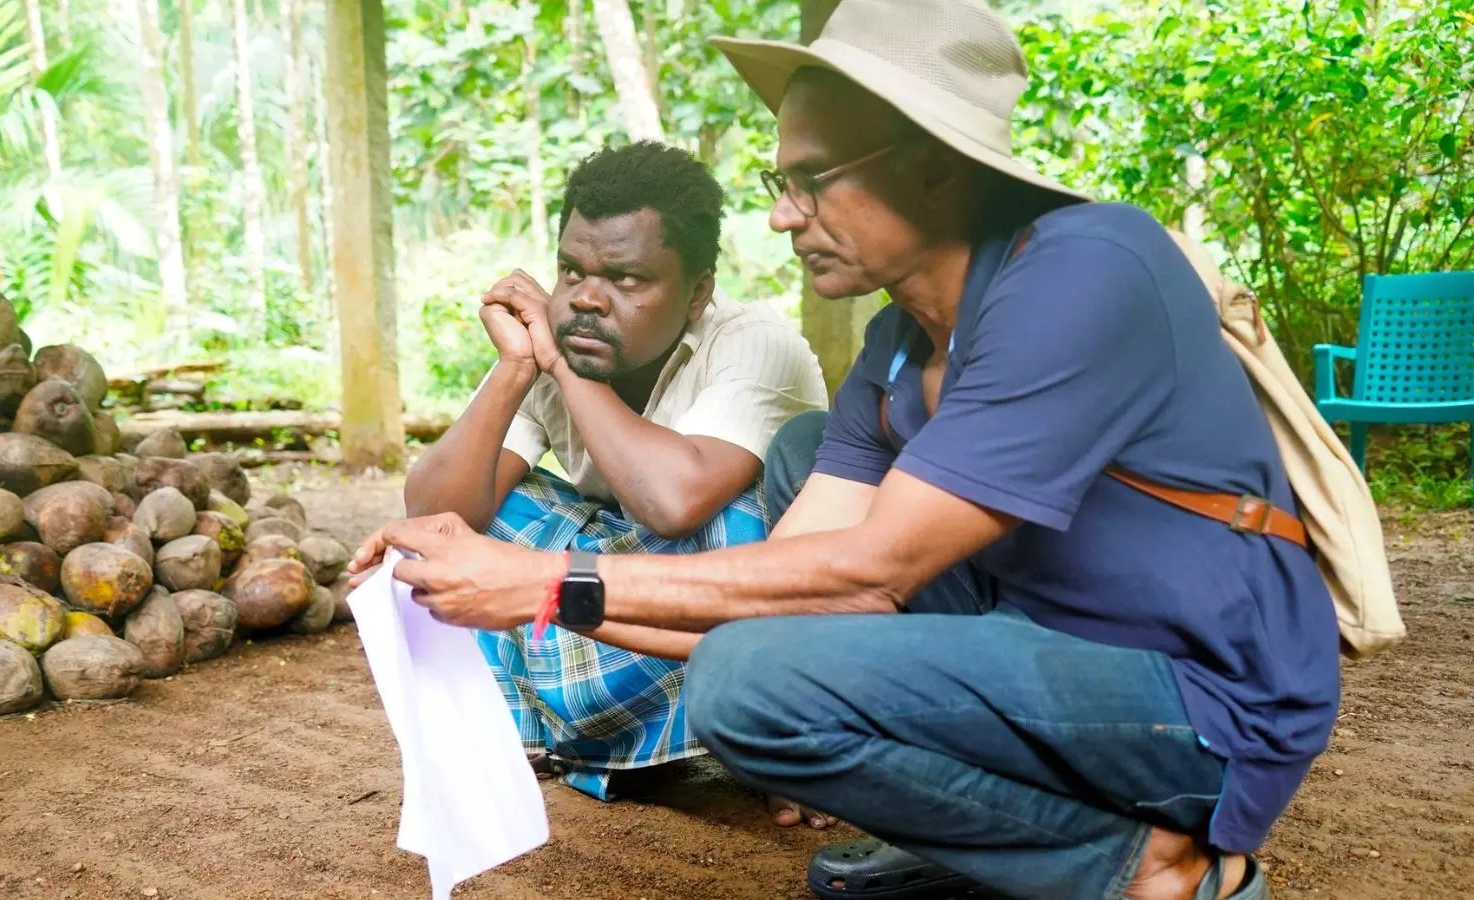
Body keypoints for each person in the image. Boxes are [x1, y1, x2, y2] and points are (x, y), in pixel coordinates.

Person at [350, 2, 1339, 898]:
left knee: (750, 686)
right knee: (777, 572)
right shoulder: (897, 345)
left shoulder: (1089, 265)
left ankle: (1148, 868)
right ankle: (1021, 848)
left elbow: (874, 569)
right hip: (1045, 654)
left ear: (934, 166)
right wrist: (494, 580)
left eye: (810, 180)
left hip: (1208, 700)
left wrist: (541, 582)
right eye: (779, 182)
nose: (783, 216)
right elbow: (807, 590)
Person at [394, 140, 829, 811]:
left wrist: (563, 369)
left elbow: (674, 504)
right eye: (571, 271)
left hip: (700, 598)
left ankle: (766, 739)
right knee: (480, 517)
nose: (587, 300)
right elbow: (431, 518)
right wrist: (516, 369)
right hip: (607, 597)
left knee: (740, 517)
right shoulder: (555, 338)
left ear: (697, 293)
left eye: (626, 279)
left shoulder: (753, 342)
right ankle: (585, 738)